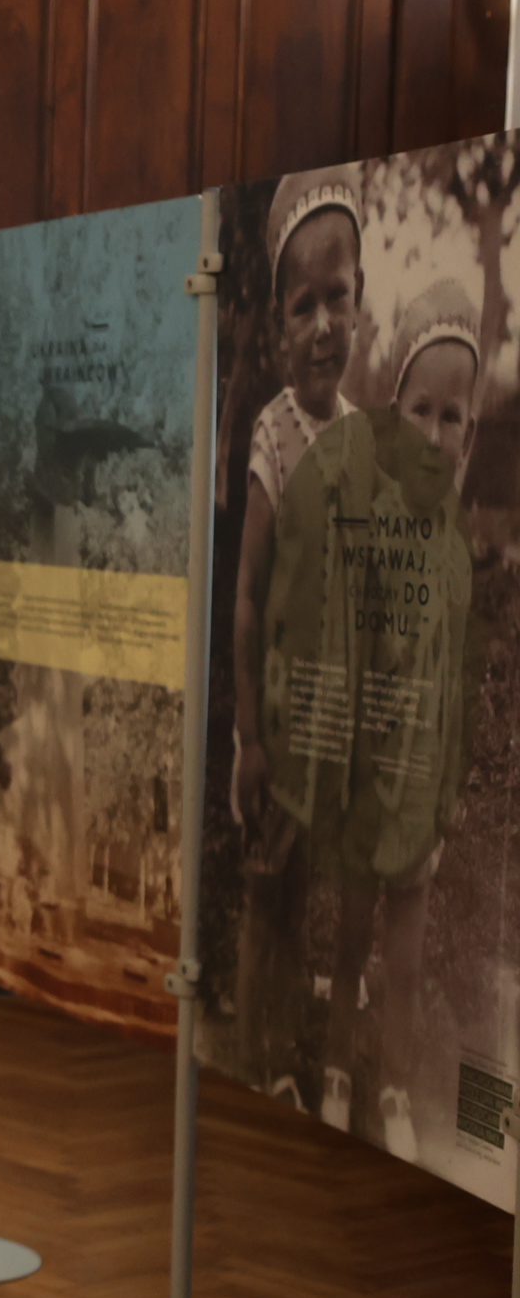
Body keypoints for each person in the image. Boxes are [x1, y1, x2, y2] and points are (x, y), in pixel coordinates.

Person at [266, 277, 477, 1158]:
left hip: (421, 792)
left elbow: (454, 688)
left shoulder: (457, 559)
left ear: (470, 433)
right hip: (364, 787)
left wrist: (449, 797)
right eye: (419, 411)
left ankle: (392, 1083)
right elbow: (348, 660)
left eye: (451, 418)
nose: (433, 434)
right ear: (395, 418)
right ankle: (339, 1075)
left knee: (406, 956)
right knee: (352, 944)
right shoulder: (375, 531)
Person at [229, 163, 365, 1123]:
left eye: (337, 300)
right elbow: (246, 596)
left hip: (332, 716)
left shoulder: (361, 438)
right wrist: (248, 736)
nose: (323, 327)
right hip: (277, 719)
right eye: (303, 307)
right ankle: (255, 1061)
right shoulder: (274, 438)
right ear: (279, 326)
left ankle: (290, 1050)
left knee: (308, 884)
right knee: (266, 890)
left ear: (360, 303)